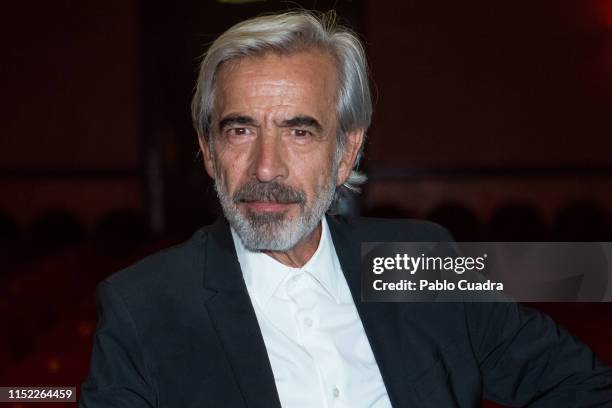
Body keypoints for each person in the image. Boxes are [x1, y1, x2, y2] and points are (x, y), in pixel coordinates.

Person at [80, 10, 612, 407]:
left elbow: (582, 386)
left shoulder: (422, 260)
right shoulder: (142, 309)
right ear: (208, 151)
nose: (266, 168)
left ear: (345, 154)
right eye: (240, 130)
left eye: (300, 131)